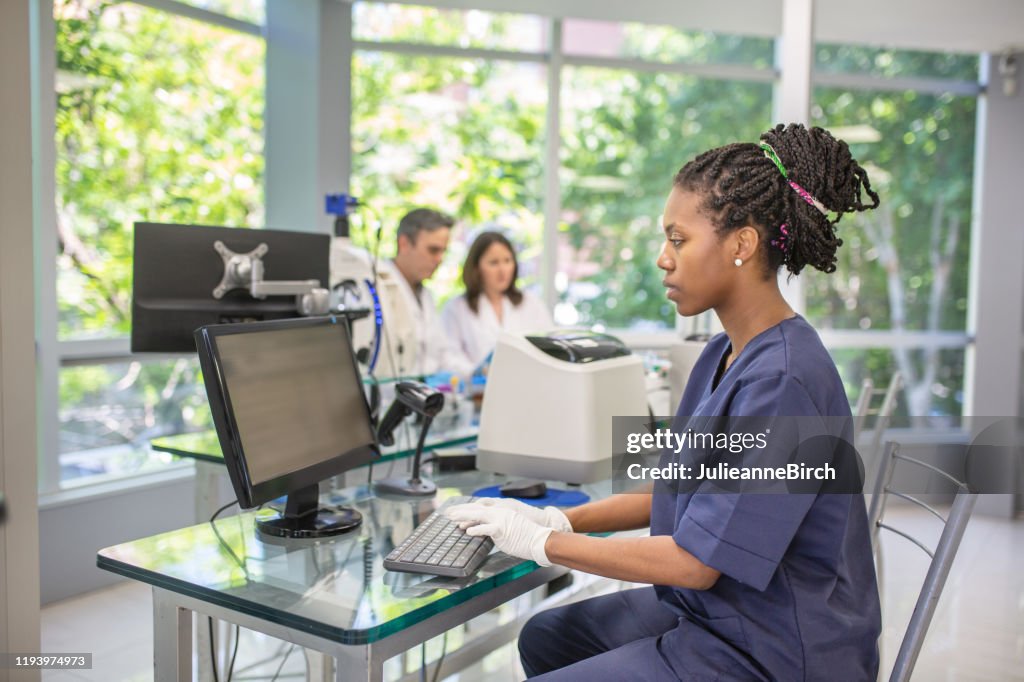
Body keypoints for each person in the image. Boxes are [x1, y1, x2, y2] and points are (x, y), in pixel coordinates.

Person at [446, 123, 883, 680]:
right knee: (547, 635)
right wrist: (559, 517)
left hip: (775, 650)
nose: (663, 258)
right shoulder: (723, 353)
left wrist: (542, 542)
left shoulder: (785, 382)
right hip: (724, 613)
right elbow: (673, 488)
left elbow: (696, 564)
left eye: (678, 239)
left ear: (741, 245)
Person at [376, 207, 474, 377]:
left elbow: (441, 356)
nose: (439, 259)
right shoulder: (378, 289)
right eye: (433, 250)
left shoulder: (425, 295)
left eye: (444, 251)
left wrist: (476, 373)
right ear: (404, 244)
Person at [441, 231, 553, 369]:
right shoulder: (457, 308)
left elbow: (549, 348)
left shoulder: (532, 303)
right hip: (477, 388)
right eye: (493, 263)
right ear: (476, 268)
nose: (503, 270)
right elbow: (449, 356)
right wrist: (477, 374)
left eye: (507, 261)